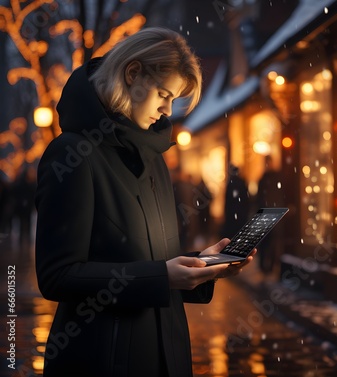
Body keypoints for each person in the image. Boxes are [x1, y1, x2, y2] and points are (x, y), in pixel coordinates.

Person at [35, 27, 255, 377]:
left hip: (167, 351)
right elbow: (57, 276)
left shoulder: (154, 158)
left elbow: (155, 265)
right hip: (103, 357)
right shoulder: (73, 155)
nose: (168, 109)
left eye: (174, 98)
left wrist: (202, 267)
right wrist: (161, 276)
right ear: (132, 74)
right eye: (163, 94)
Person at [220, 164, 249, 239]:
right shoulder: (241, 182)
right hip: (240, 213)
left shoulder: (231, 183)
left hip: (232, 214)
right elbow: (245, 199)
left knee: (232, 235)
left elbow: (228, 200)